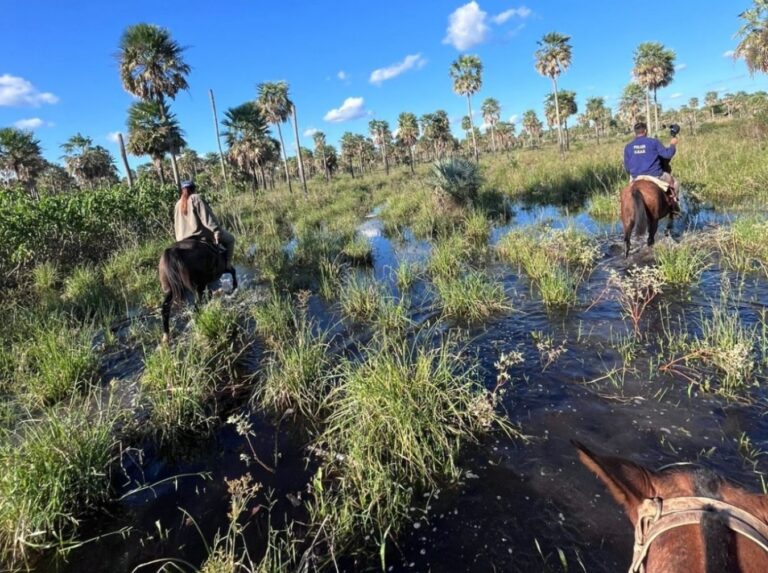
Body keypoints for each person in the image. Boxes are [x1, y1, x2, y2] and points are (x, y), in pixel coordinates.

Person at [174, 180, 235, 271]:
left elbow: (176, 224)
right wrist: (216, 230)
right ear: (194, 188)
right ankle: (227, 265)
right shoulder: (195, 198)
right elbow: (207, 217)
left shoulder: (177, 204)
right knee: (230, 239)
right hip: (199, 236)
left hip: (181, 239)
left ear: (182, 190)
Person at [623, 122, 679, 206]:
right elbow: (667, 155)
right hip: (655, 175)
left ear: (635, 132)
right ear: (645, 131)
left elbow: (627, 167)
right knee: (675, 183)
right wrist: (672, 145)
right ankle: (674, 206)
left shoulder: (628, 146)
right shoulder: (654, 142)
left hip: (635, 177)